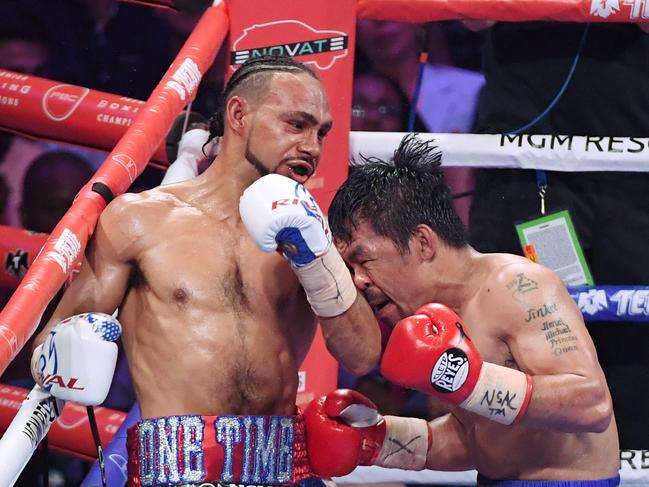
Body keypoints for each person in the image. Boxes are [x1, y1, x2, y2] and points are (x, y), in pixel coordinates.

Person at [31, 55, 381, 485]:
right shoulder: (140, 221)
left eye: (321, 132)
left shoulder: (312, 232)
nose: (311, 146)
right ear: (238, 114)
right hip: (174, 470)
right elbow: (55, 345)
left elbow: (362, 354)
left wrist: (316, 259)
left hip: (283, 469)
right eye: (296, 125)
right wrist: (75, 349)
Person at [304, 135, 619, 486]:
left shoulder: (515, 285)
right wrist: (377, 440)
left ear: (422, 242)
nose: (358, 281)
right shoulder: (437, 321)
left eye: (363, 260)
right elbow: (479, 440)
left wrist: (470, 381)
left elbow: (592, 405)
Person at [467, 21, 649, 448]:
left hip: (632, 163)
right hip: (521, 164)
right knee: (508, 336)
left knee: (635, 343)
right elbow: (468, 14)